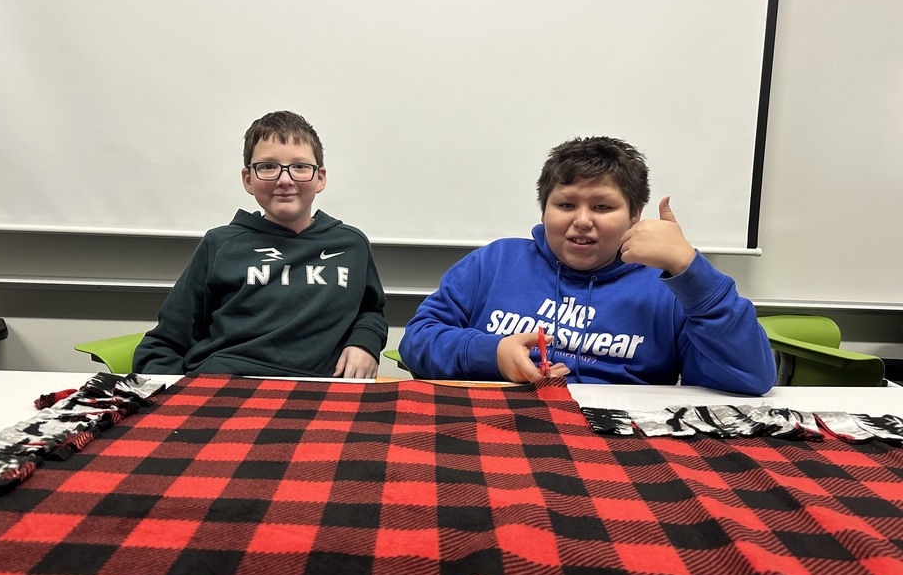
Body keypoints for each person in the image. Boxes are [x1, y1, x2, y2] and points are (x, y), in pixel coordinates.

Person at [399, 136, 776, 395]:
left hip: (618, 445)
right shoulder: (494, 262)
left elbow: (748, 379)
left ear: (635, 216)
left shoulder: (668, 286)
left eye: (602, 207)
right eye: (565, 205)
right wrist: (491, 354)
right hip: (499, 426)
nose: (582, 220)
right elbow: (418, 341)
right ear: (544, 210)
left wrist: (690, 270)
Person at [134, 110, 387, 378]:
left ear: (320, 177)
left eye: (300, 166)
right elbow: (166, 341)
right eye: (268, 166)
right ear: (248, 179)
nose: (285, 180)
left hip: (319, 391)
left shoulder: (351, 244)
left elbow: (370, 311)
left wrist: (365, 342)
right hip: (226, 384)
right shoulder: (220, 244)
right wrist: (173, 397)